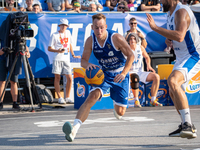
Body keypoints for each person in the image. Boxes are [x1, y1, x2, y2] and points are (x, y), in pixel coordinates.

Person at [62, 13, 134, 142]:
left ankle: (115, 99)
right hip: (103, 74)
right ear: (92, 27)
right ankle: (74, 129)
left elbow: (131, 56)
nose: (99, 30)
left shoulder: (116, 38)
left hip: (119, 75)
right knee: (91, 97)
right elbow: (83, 60)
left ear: (106, 26)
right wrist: (88, 64)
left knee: (120, 113)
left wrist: (123, 73)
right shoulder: (90, 40)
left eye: (101, 27)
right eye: (96, 27)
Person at [146, 0, 199, 139]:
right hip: (182, 56)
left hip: (193, 55)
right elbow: (176, 36)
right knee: (172, 89)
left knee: (173, 81)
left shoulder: (181, 11)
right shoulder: (170, 13)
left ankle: (188, 124)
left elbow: (180, 36)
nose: (161, 1)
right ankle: (185, 124)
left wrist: (155, 28)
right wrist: (169, 40)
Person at [48, 19, 81, 104]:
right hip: (57, 58)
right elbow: (49, 48)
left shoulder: (68, 33)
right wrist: (58, 50)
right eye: (62, 25)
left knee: (70, 78)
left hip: (66, 59)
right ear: (59, 26)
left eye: (65, 25)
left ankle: (67, 97)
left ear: (67, 26)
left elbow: (69, 44)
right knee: (57, 78)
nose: (63, 27)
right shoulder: (54, 35)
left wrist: (73, 55)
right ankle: (60, 97)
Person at [127, 33, 161, 107]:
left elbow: (147, 57)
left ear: (136, 40)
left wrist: (148, 65)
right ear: (128, 41)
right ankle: (136, 101)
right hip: (129, 72)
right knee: (135, 77)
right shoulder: (126, 49)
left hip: (139, 72)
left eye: (134, 39)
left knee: (156, 76)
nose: (132, 40)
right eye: (130, 39)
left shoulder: (140, 48)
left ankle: (153, 100)